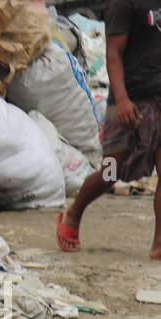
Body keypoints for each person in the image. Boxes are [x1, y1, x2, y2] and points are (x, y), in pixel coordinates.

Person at [57, 0, 161, 256]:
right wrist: (122, 99)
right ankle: (73, 213)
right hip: (130, 99)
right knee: (110, 171)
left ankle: (159, 243)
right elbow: (113, 53)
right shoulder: (123, 3)